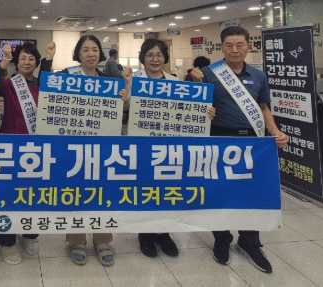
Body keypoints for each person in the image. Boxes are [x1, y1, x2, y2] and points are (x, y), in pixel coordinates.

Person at [192, 26, 288, 274]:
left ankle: (249, 241)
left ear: (248, 47)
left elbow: (263, 107)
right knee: (219, 191)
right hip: (219, 139)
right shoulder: (208, 74)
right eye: (229, 45)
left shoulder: (259, 76)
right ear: (221, 47)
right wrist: (198, 95)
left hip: (252, 143)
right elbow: (194, 105)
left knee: (251, 192)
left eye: (239, 45)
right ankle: (222, 239)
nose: (234, 50)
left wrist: (275, 131)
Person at [61, 34, 131, 266]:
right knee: (76, 192)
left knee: (102, 193)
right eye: (86, 50)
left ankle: (102, 239)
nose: (91, 54)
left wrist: (125, 93)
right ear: (78, 54)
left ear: (100, 54)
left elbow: (120, 111)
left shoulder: (109, 81)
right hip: (74, 146)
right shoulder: (66, 76)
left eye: (94, 50)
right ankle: (77, 240)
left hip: (102, 148)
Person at [0, 41, 55, 264]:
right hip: (11, 147)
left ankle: (30, 234)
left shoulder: (43, 85)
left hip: (38, 149)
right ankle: (6, 240)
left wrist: (50, 58)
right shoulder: (8, 84)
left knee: (34, 194)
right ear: (16, 62)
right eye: (23, 58)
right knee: (10, 196)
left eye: (32, 58)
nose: (27, 62)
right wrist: (5, 59)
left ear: (37, 62)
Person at [134, 39, 181, 258]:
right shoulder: (134, 80)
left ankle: (163, 233)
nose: (155, 59)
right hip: (141, 146)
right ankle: (145, 234)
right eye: (150, 55)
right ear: (143, 58)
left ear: (165, 58)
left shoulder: (175, 81)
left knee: (165, 190)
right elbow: (123, 109)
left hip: (168, 147)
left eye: (159, 55)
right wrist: (125, 92)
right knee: (145, 190)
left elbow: (185, 112)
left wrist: (204, 111)